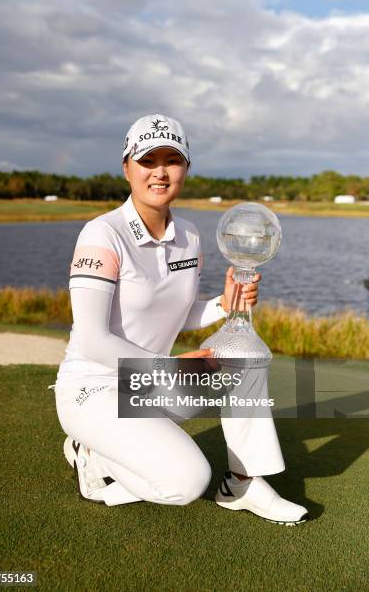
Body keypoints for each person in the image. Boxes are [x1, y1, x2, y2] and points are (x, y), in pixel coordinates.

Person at [51, 114, 308, 525]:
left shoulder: (188, 234)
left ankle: (243, 481)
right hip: (94, 390)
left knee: (243, 358)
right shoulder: (102, 235)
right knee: (187, 481)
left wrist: (224, 304)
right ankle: (94, 460)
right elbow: (95, 339)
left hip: (149, 383)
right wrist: (170, 369)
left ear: (186, 168)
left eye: (172, 160)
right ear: (127, 168)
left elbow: (178, 313)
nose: (160, 172)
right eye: (148, 160)